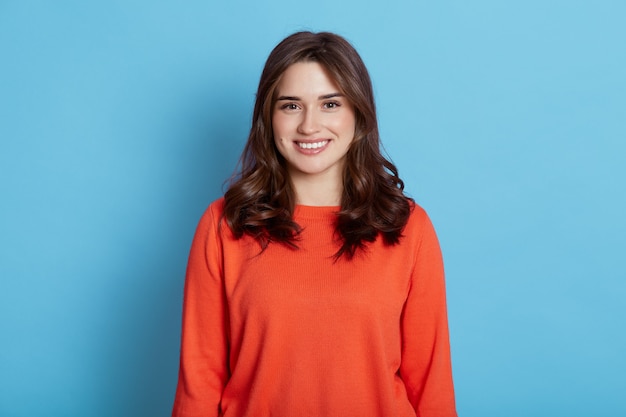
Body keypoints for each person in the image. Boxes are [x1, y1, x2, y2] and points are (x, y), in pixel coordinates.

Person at [171, 31, 457, 417]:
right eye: (291, 106)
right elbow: (199, 384)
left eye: (329, 104)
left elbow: (431, 385)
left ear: (358, 114)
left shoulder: (408, 228)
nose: (309, 125)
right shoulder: (224, 225)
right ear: (268, 117)